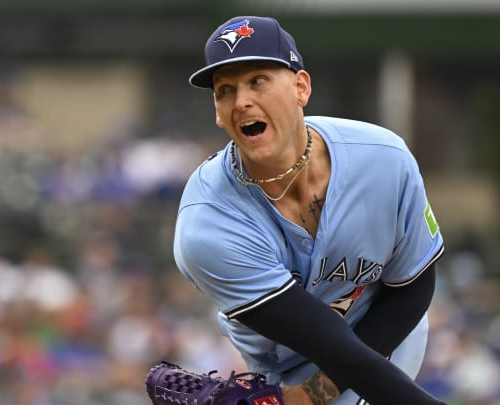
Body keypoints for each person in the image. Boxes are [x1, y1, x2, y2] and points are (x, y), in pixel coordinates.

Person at [172, 15, 445, 404]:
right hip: (286, 366)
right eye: (225, 90)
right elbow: (323, 339)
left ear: (301, 87)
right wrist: (294, 395)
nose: (242, 101)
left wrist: (300, 399)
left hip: (388, 330)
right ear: (218, 113)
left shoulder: (383, 159)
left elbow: (413, 290)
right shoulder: (208, 222)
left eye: (258, 81)